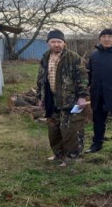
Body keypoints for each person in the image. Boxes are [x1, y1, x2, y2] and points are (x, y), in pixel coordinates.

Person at [37, 30, 89, 165]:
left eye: (59, 42)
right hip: (51, 100)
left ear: (64, 43)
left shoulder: (74, 58)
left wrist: (82, 96)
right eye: (53, 42)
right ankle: (59, 154)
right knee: (53, 128)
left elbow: (83, 78)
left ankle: (72, 157)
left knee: (71, 129)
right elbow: (41, 79)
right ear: (48, 43)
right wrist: (41, 97)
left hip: (69, 100)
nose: (56, 44)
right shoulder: (45, 57)